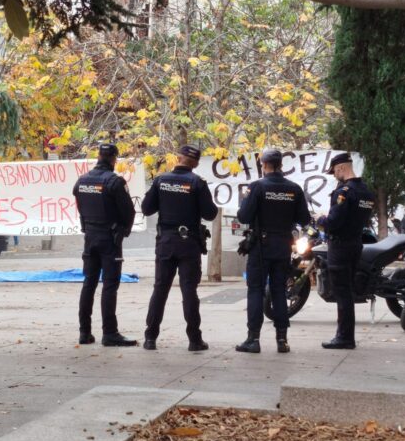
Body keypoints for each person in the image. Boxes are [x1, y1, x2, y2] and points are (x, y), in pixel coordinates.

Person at [141, 145, 218, 351]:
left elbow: (146, 208)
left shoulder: (160, 180)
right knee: (189, 291)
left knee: (160, 290)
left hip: (166, 241)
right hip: (189, 243)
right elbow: (210, 214)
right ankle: (194, 340)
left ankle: (150, 338)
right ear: (195, 163)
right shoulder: (198, 183)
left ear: (178, 158)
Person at [235, 150, 310, 354]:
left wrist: (245, 201)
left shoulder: (257, 187)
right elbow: (304, 218)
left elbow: (243, 216)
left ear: (264, 164)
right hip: (283, 245)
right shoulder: (294, 189)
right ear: (280, 164)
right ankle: (282, 340)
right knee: (278, 291)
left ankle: (253, 339)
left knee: (256, 290)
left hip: (261, 245)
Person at [72, 143, 137, 347]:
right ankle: (109, 333)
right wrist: (122, 231)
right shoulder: (114, 182)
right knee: (110, 285)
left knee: (89, 283)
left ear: (98, 156)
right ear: (113, 159)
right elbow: (129, 212)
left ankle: (84, 332)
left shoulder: (82, 180)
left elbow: (79, 203)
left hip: (90, 237)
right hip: (109, 238)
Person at [317, 152, 375, 350]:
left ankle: (344, 337)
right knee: (348, 291)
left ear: (341, 168)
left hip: (340, 246)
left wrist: (319, 220)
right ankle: (345, 335)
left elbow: (333, 222)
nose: (334, 176)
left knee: (342, 292)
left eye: (334, 172)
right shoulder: (366, 191)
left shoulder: (344, 192)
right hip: (355, 244)